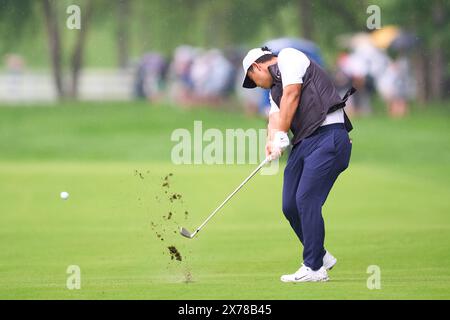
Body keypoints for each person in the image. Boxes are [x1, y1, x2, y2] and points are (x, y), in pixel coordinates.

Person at [242, 46, 354, 282]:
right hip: (305, 143)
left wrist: (283, 132)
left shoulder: (289, 57)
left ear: (257, 67)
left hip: (328, 136)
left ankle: (313, 268)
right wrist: (272, 141)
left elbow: (293, 94)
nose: (259, 86)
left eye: (254, 80)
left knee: (306, 199)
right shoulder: (274, 90)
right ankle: (321, 255)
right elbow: (274, 117)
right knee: (290, 205)